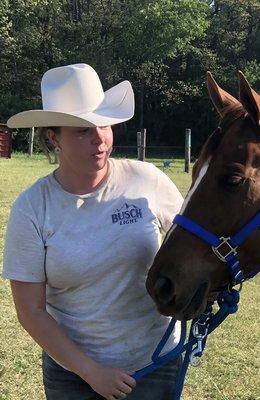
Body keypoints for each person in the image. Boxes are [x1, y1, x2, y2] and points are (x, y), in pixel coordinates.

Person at [2, 63, 184, 400]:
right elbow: (31, 311)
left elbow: (191, 253)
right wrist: (90, 371)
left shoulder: (148, 183)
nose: (99, 137)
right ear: (53, 137)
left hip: (157, 362)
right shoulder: (32, 209)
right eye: (82, 130)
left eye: (104, 124)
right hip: (73, 377)